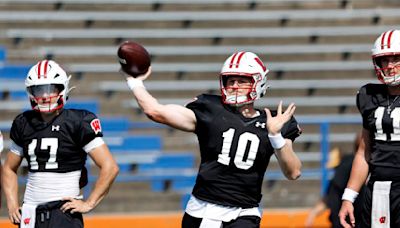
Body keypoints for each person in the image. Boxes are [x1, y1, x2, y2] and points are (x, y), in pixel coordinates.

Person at [123, 51, 302, 228]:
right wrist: (135, 83)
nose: (235, 86)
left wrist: (275, 136)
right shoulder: (210, 108)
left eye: (242, 81)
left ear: (259, 82)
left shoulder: (273, 121)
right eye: (231, 81)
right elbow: (155, 111)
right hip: (200, 209)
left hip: (243, 212)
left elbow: (293, 172)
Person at [2, 60, 119, 228]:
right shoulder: (23, 123)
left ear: (62, 89)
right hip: (30, 212)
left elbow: (110, 166)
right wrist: (12, 205)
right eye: (39, 90)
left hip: (62, 212)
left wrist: (89, 203)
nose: (44, 95)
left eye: (50, 89)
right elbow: (9, 168)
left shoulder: (77, 121)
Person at [339, 29, 400, 228]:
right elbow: (364, 152)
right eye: (385, 60)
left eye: (396, 58)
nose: (390, 66)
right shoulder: (369, 96)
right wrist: (349, 197)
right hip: (380, 188)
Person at [305, 133, 365, 228]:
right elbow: (332, 194)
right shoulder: (348, 165)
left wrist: (313, 213)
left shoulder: (346, 165)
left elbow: (330, 195)